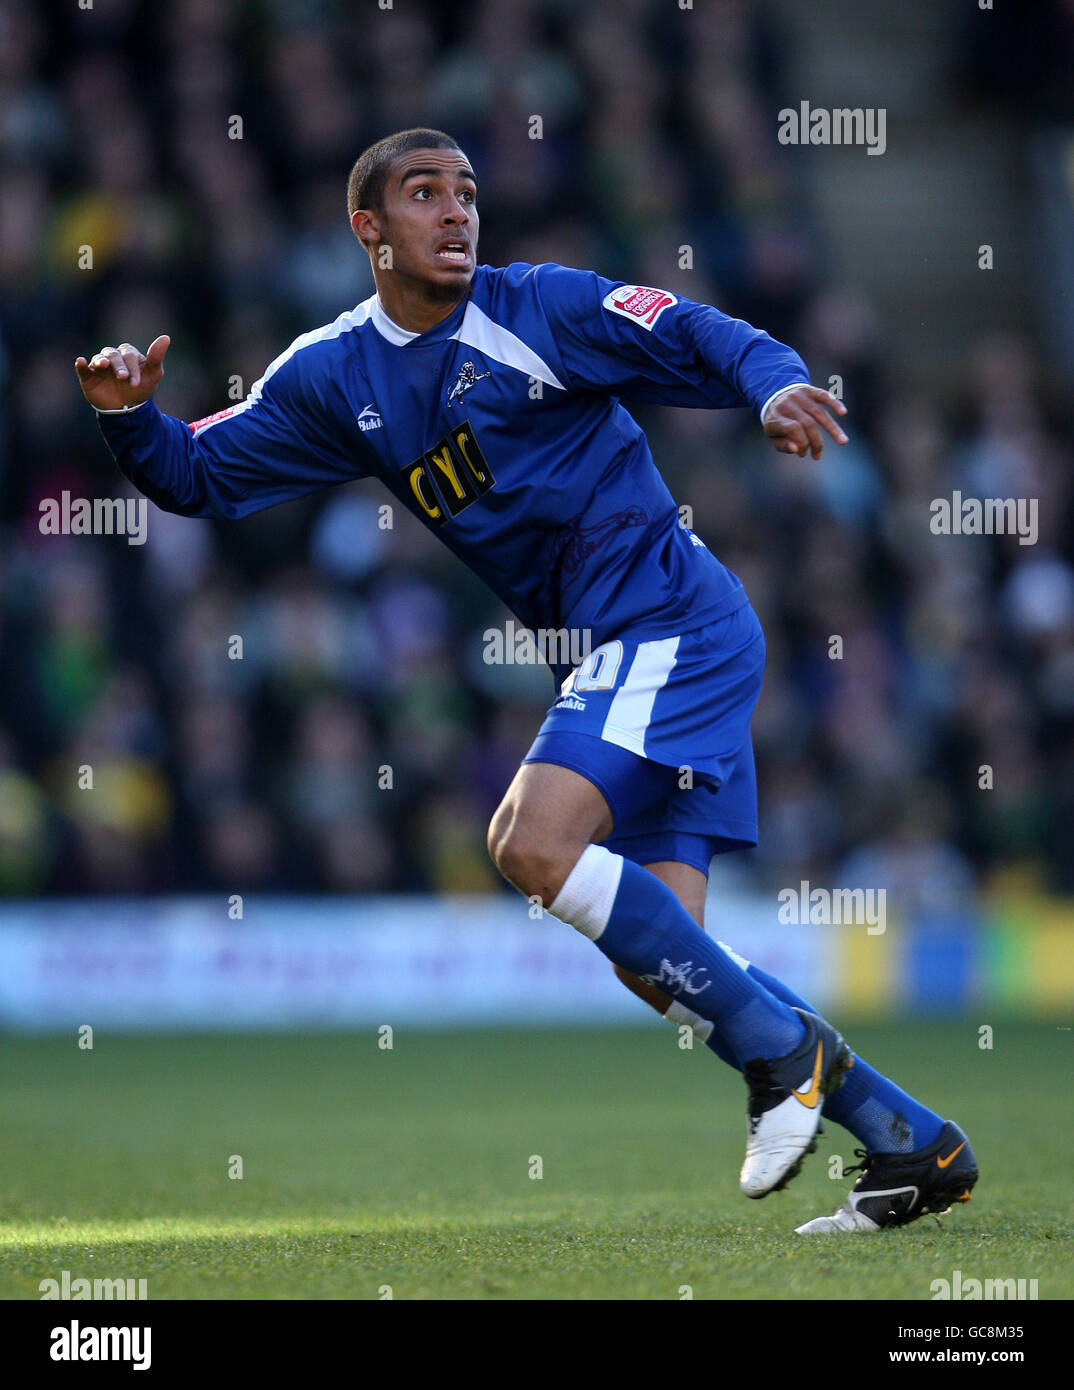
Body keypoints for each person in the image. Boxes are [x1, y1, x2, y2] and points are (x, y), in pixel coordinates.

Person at [75, 128, 977, 1232]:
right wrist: (127, 417)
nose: (456, 213)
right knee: (670, 966)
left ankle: (783, 1057)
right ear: (369, 229)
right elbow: (200, 474)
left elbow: (689, 327)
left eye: (466, 191)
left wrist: (777, 385)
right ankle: (910, 1142)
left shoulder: (537, 306)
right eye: (423, 194)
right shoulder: (331, 373)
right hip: (615, 647)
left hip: (671, 621)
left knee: (528, 842)